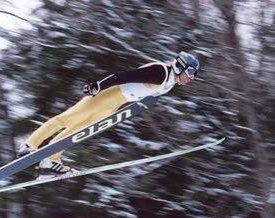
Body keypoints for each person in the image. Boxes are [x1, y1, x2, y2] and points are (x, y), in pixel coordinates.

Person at [17, 51, 200, 179]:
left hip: (115, 103)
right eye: (190, 73)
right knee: (69, 118)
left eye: (194, 75)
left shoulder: (169, 83)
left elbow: (145, 94)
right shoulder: (161, 72)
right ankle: (29, 144)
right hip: (108, 94)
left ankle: (50, 162)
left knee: (78, 131)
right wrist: (99, 85)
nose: (191, 78)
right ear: (180, 67)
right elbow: (126, 76)